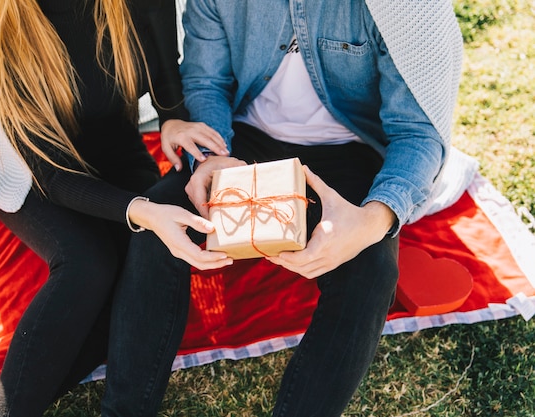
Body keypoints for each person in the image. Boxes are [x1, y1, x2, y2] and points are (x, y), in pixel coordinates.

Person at [111, 0, 464, 415]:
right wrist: (211, 157)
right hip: (239, 141)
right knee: (159, 226)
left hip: (349, 150)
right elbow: (207, 83)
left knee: (371, 270)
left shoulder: (407, 7)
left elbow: (418, 132)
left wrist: (376, 217)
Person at [0, 0, 232, 416]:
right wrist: (140, 209)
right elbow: (50, 175)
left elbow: (162, 63)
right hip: (23, 168)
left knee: (139, 283)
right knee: (89, 263)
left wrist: (171, 118)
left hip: (113, 147)